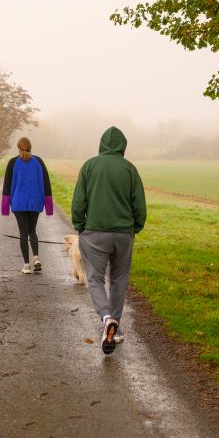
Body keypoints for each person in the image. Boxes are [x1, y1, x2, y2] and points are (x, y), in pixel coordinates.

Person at [71, 127, 146, 355]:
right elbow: (139, 205)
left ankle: (106, 319)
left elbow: (78, 202)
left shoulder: (89, 166)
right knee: (119, 279)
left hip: (94, 233)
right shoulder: (130, 169)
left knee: (94, 279)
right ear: (123, 146)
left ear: (102, 144)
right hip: (123, 234)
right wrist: (135, 228)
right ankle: (115, 327)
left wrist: (81, 227)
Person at [1, 137, 53, 274]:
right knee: (32, 231)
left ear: (18, 148)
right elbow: (47, 183)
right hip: (35, 201)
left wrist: (5, 207)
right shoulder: (39, 161)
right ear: (31, 147)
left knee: (23, 233)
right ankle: (36, 258)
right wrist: (49, 206)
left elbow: (7, 185)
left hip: (19, 202)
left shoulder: (13, 162)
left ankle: (26, 265)